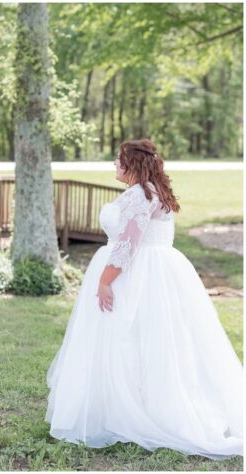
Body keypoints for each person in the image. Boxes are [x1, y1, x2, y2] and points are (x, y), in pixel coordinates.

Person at [45, 139, 243, 459]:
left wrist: (106, 281)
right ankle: (139, 402)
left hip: (136, 275)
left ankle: (135, 409)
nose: (114, 164)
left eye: (119, 159)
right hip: (159, 270)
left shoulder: (141, 194)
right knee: (151, 339)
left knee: (129, 337)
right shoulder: (153, 191)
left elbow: (128, 243)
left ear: (133, 164)